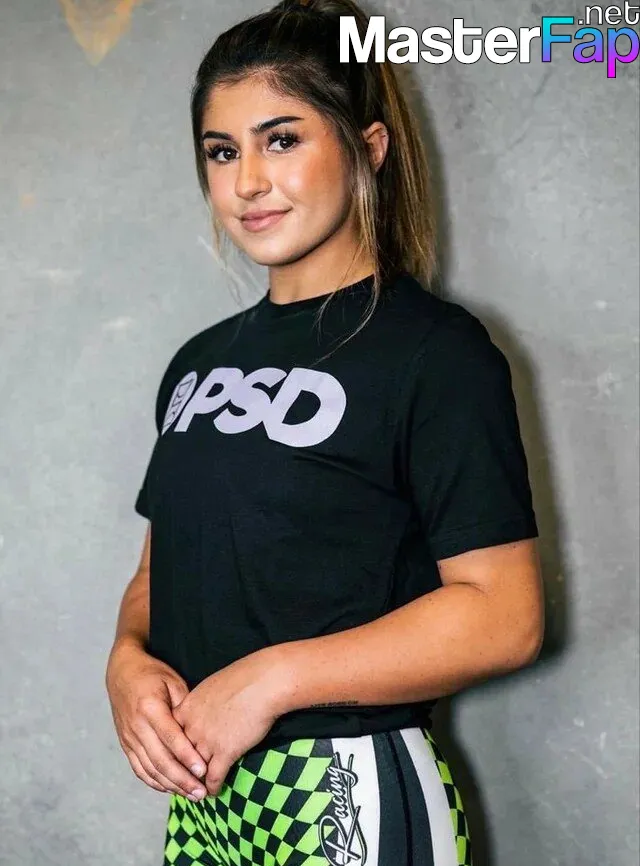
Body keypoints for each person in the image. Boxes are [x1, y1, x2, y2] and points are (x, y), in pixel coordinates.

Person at [105, 1, 545, 864]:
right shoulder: (198, 363)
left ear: (367, 148)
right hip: (208, 801)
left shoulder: (434, 352)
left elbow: (505, 615)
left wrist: (273, 679)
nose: (247, 182)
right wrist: (125, 660)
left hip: (345, 783)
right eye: (222, 151)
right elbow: (161, 574)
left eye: (281, 140)